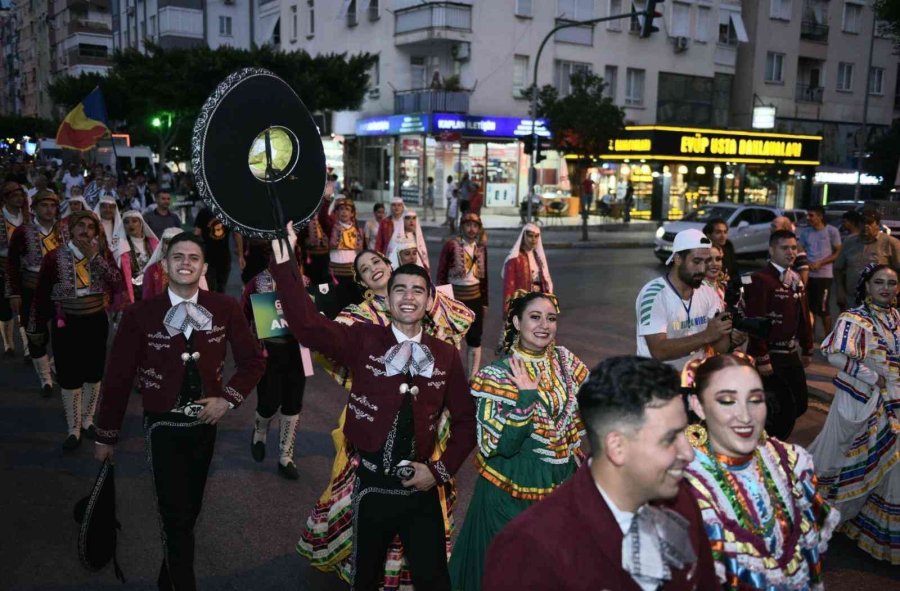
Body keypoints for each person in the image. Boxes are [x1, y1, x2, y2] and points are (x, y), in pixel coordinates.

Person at [270, 223, 475, 591]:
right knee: (364, 580)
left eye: (417, 290)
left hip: (423, 491)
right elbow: (306, 326)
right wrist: (285, 256)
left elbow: (465, 419)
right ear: (387, 297)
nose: (408, 296)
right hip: (371, 488)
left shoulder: (444, 353)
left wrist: (439, 471)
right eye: (400, 289)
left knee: (434, 581)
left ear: (429, 300)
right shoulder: (361, 336)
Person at [94, 232, 265, 588]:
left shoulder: (225, 306)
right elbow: (117, 379)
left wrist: (227, 399)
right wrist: (105, 435)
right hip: (161, 426)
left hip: (205, 424)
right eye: (178, 257)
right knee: (174, 515)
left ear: (204, 266)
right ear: (165, 265)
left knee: (188, 514)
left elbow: (253, 362)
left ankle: (166, 578)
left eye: (193, 258)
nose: (185, 263)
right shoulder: (140, 313)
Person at [483, 356, 718, 591]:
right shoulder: (532, 547)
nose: (689, 453)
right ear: (617, 447)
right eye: (669, 439)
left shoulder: (682, 502)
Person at [449, 290, 588, 590]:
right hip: (509, 494)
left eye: (551, 318)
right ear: (516, 321)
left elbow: (582, 419)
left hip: (560, 488)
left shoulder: (566, 362)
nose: (544, 325)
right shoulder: (495, 377)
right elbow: (501, 447)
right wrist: (525, 399)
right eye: (535, 317)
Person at [683, 354, 838, 589]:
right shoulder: (684, 489)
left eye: (755, 399)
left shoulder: (789, 462)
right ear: (698, 406)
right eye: (727, 400)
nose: (746, 416)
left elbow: (809, 557)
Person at [810, 263, 900, 564]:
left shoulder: (896, 317)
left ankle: (871, 528)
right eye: (879, 282)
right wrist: (871, 377)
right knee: (840, 457)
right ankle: (818, 517)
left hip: (892, 401)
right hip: (858, 402)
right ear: (867, 286)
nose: (886, 288)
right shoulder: (854, 318)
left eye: (891, 283)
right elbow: (834, 353)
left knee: (888, 464)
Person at [30, 211, 125, 449]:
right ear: (71, 230)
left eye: (90, 227)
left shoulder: (101, 255)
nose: (85, 230)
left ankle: (88, 420)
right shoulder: (54, 257)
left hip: (95, 321)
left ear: (96, 231)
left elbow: (117, 282)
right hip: (67, 323)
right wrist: (36, 327)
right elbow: (41, 295)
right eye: (80, 225)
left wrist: (96, 258)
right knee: (69, 375)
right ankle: (73, 428)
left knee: (93, 373)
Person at [743, 230, 813, 440]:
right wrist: (762, 357)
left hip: (790, 353)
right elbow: (755, 321)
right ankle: (765, 449)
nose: (791, 252)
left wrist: (807, 347)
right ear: (771, 250)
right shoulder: (760, 279)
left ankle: (771, 443)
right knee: (773, 409)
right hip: (770, 355)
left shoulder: (796, 279)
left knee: (799, 404)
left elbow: (803, 314)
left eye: (794, 248)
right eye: (785, 248)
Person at [241, 257, 307, 480]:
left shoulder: (303, 282)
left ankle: (285, 456)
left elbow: (317, 315)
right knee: (269, 402)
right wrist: (249, 346)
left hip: (299, 351)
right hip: (269, 351)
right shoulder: (257, 282)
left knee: (293, 404)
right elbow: (242, 314)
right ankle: (260, 429)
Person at [635, 229, 731, 380]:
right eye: (696, 261)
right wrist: (706, 335)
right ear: (678, 259)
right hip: (657, 382)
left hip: (695, 379)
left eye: (706, 262)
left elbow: (722, 347)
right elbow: (659, 350)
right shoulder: (653, 295)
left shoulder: (708, 291)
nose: (702, 269)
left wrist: (728, 331)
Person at [7, 189, 61, 395]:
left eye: (52, 205)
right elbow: (12, 264)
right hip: (31, 289)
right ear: (34, 208)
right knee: (36, 334)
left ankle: (54, 366)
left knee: (64, 333)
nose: (49, 210)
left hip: (60, 291)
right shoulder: (23, 231)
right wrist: (14, 293)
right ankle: (45, 379)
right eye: (44, 205)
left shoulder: (64, 230)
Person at [437, 212, 489, 378]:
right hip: (454, 300)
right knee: (451, 339)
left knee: (475, 339)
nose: (472, 229)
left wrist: (484, 303)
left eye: (475, 226)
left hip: (475, 299)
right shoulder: (451, 246)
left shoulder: (480, 248)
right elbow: (442, 272)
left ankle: (472, 377)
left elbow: (484, 278)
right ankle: (451, 376)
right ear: (462, 227)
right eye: (468, 225)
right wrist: (442, 300)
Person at [834, 210, 900, 311]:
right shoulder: (849, 242)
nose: (865, 226)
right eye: (862, 223)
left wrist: (896, 292)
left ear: (877, 225)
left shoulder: (891, 243)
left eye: (869, 223)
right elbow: (838, 268)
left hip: (880, 300)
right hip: (852, 299)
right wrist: (840, 290)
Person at [799, 205, 841, 339]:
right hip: (808, 275)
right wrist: (807, 263)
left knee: (823, 308)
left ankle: (829, 338)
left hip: (824, 276)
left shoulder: (831, 231)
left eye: (811, 215)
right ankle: (810, 336)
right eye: (808, 215)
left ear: (820, 216)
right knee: (809, 307)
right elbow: (800, 249)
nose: (808, 218)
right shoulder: (806, 232)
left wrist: (821, 263)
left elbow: (837, 252)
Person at [319, 193, 364, 315]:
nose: (344, 212)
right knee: (338, 302)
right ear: (336, 212)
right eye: (341, 209)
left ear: (352, 213)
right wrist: (326, 200)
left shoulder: (358, 230)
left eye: (347, 209)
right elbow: (323, 218)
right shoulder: (332, 227)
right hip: (336, 273)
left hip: (353, 272)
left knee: (354, 303)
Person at [0, 181, 30, 359]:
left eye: (21, 196)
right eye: (15, 196)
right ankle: (8, 343)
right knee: (4, 309)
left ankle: (28, 348)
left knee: (24, 307)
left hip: (23, 267)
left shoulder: (27, 217)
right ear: (6, 198)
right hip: (2, 265)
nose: (19, 199)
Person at [501, 223, 553, 317]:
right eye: (530, 236)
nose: (533, 239)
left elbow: (545, 279)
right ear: (523, 236)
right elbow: (509, 287)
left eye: (536, 236)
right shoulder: (514, 259)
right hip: (521, 306)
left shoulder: (538, 257)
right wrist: (508, 309)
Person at [193, 205, 236, 293]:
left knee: (209, 285)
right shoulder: (227, 211)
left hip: (209, 253)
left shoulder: (204, 212)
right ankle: (219, 304)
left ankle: (212, 304)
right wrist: (240, 252)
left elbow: (197, 233)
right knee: (221, 285)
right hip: (223, 254)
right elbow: (236, 233)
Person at [122, 210, 159, 301]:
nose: (130, 224)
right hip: (134, 292)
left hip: (154, 288)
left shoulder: (153, 242)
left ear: (141, 223)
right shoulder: (121, 246)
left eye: (134, 221)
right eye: (127, 222)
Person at [387, 209, 429, 273]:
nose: (411, 221)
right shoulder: (396, 239)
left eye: (414, 218)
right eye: (408, 218)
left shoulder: (417, 236)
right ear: (403, 220)